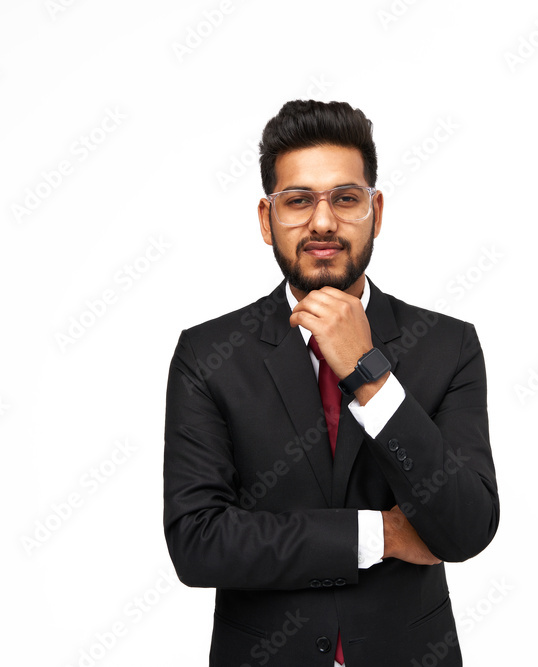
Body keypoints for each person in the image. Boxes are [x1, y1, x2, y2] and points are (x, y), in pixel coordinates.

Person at [163, 99, 499, 666]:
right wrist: (381, 536)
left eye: (346, 199)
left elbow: (466, 528)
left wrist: (370, 371)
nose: (323, 222)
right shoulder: (208, 355)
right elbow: (198, 544)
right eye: (298, 201)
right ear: (268, 220)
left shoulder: (449, 346)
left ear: (377, 211)